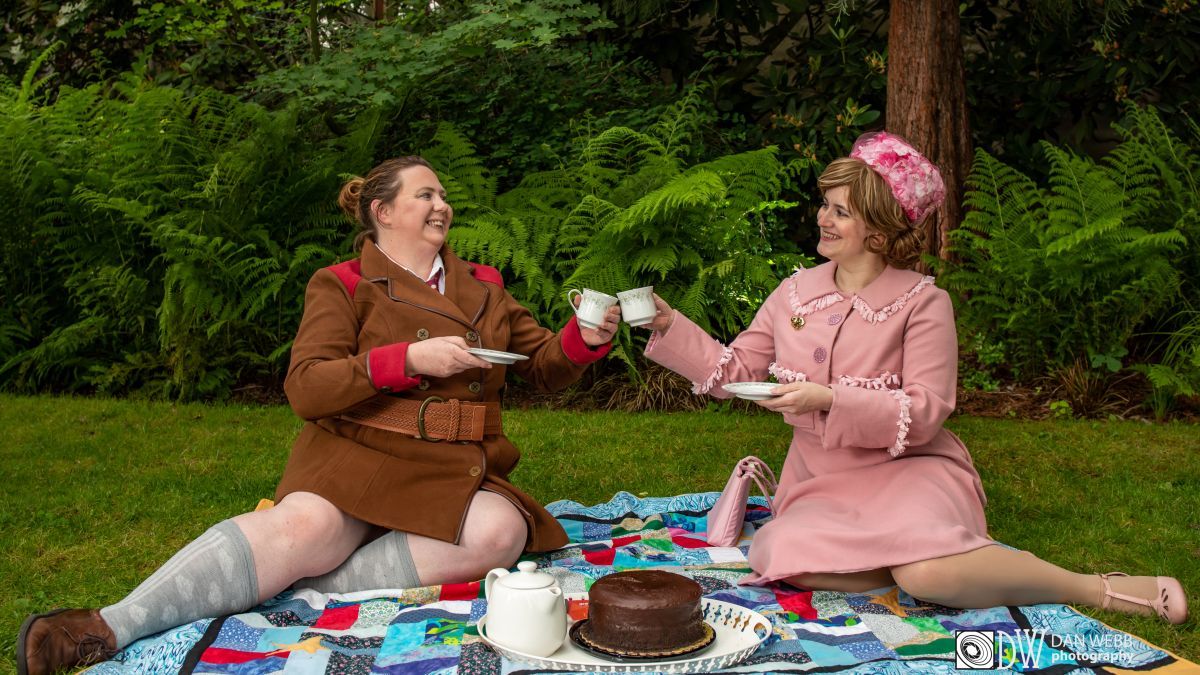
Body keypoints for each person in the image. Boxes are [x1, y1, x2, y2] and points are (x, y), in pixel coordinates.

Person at [16, 156, 621, 675]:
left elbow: (544, 366)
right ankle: (104, 626)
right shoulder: (343, 283)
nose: (442, 206)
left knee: (501, 532)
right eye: (425, 195)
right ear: (383, 211)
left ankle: (295, 584)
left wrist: (586, 337)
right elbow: (306, 386)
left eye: (443, 196)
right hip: (358, 454)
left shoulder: (483, 285)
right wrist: (408, 358)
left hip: (451, 468)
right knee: (303, 527)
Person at [638, 132, 1188, 624]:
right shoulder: (793, 292)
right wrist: (669, 324)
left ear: (878, 230)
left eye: (840, 212)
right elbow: (736, 371)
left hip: (912, 471)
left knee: (927, 576)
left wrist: (828, 398)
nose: (823, 219)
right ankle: (938, 561)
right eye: (825, 205)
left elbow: (925, 412)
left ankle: (1097, 588)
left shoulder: (925, 303)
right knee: (781, 555)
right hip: (820, 482)